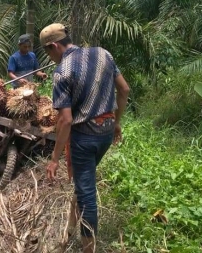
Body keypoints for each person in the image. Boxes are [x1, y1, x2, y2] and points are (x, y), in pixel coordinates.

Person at [39, 23, 130, 253]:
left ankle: (88, 249)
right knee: (83, 182)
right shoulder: (103, 54)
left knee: (87, 196)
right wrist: (116, 121)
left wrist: (54, 158)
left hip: (84, 140)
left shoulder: (62, 71)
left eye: (48, 53)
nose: (50, 59)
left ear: (54, 46)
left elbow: (66, 120)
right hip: (106, 134)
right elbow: (125, 90)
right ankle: (68, 232)